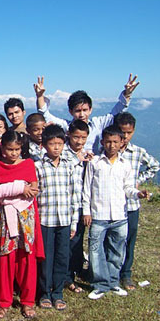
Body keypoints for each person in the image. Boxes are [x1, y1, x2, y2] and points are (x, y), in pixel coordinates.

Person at [82, 125, 148, 300]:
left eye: (115, 142)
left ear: (121, 143)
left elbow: (127, 187)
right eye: (108, 142)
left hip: (119, 215)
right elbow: (87, 188)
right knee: (96, 251)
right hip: (99, 215)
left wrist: (138, 193)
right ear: (102, 142)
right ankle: (99, 284)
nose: (111, 145)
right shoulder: (95, 163)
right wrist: (87, 211)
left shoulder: (124, 165)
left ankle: (113, 282)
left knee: (117, 251)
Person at [0, 130, 44, 319]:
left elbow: (34, 189)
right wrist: (20, 188)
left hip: (25, 218)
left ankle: (27, 302)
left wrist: (9, 191)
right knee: (5, 259)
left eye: (17, 149)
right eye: (10, 149)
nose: (13, 153)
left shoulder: (28, 164)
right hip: (4, 218)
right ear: (3, 149)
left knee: (26, 259)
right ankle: (4, 302)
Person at [113, 112, 160, 290]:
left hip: (131, 205)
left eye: (129, 133)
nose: (125, 136)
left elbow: (154, 165)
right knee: (112, 239)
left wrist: (139, 179)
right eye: (122, 132)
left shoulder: (137, 152)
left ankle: (126, 273)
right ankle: (110, 271)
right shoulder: (108, 150)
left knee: (129, 239)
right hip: (112, 204)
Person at [34, 75, 139, 152]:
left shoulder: (97, 124)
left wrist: (127, 93)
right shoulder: (66, 126)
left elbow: (117, 112)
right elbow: (45, 115)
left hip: (93, 168)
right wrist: (40, 97)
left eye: (85, 110)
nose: (82, 115)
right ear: (71, 111)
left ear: (90, 110)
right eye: (78, 111)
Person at [35, 125, 77, 311]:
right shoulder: (38, 166)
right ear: (44, 145)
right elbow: (35, 196)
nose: (56, 148)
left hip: (65, 220)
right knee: (46, 258)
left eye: (59, 144)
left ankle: (58, 292)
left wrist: (74, 221)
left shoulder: (69, 165)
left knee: (62, 256)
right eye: (52, 144)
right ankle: (44, 292)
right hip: (45, 220)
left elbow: (74, 194)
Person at [63, 120, 90, 293]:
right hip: (64, 206)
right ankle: (65, 276)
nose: (79, 141)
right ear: (69, 136)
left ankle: (72, 273)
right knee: (65, 244)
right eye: (76, 137)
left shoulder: (87, 156)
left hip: (79, 206)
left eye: (83, 138)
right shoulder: (63, 154)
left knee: (77, 242)